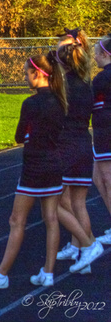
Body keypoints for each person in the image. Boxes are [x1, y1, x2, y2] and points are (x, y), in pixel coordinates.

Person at [0, 52, 103, 291]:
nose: (24, 77)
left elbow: (19, 136)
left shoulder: (30, 103)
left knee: (16, 220)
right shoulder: (61, 100)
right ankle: (48, 273)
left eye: (26, 73)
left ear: (37, 74)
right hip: (55, 165)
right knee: (51, 218)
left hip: (34, 166)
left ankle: (1, 275)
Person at [54, 29, 96, 269]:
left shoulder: (63, 87)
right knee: (79, 204)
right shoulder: (86, 83)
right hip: (83, 144)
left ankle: (88, 244)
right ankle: (84, 256)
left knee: (55, 201)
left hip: (66, 146)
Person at [92, 32, 111, 246]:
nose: (94, 58)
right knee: (98, 178)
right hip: (101, 133)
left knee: (107, 179)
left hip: (107, 134)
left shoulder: (103, 78)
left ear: (105, 54)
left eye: (96, 54)